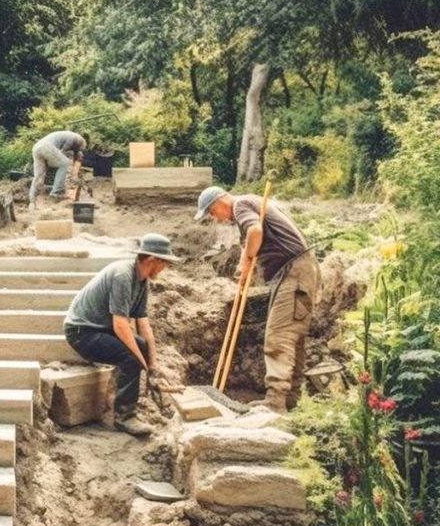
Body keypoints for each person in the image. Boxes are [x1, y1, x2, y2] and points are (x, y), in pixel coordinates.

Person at [195, 186, 320, 413]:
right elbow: (251, 239)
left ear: (221, 200)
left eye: (212, 212)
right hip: (301, 271)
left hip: (294, 273)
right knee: (293, 336)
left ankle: (275, 401)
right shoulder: (251, 202)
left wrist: (247, 261)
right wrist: (245, 268)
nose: (216, 218)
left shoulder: (240, 205)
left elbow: (255, 231)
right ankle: (291, 398)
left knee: (278, 336)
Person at [63, 233, 181, 437]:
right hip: (83, 332)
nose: (165, 269)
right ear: (152, 260)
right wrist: (142, 364)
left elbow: (143, 324)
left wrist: (153, 368)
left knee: (140, 347)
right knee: (130, 356)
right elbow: (120, 325)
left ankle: (125, 399)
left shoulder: (142, 280)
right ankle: (124, 417)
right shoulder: (123, 275)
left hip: (102, 328)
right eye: (164, 264)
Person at [28, 130, 88, 211]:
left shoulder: (64, 136)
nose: (80, 150)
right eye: (81, 149)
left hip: (36, 148)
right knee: (65, 163)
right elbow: (66, 148)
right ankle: (56, 193)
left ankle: (32, 202)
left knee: (38, 176)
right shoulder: (78, 139)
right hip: (46, 146)